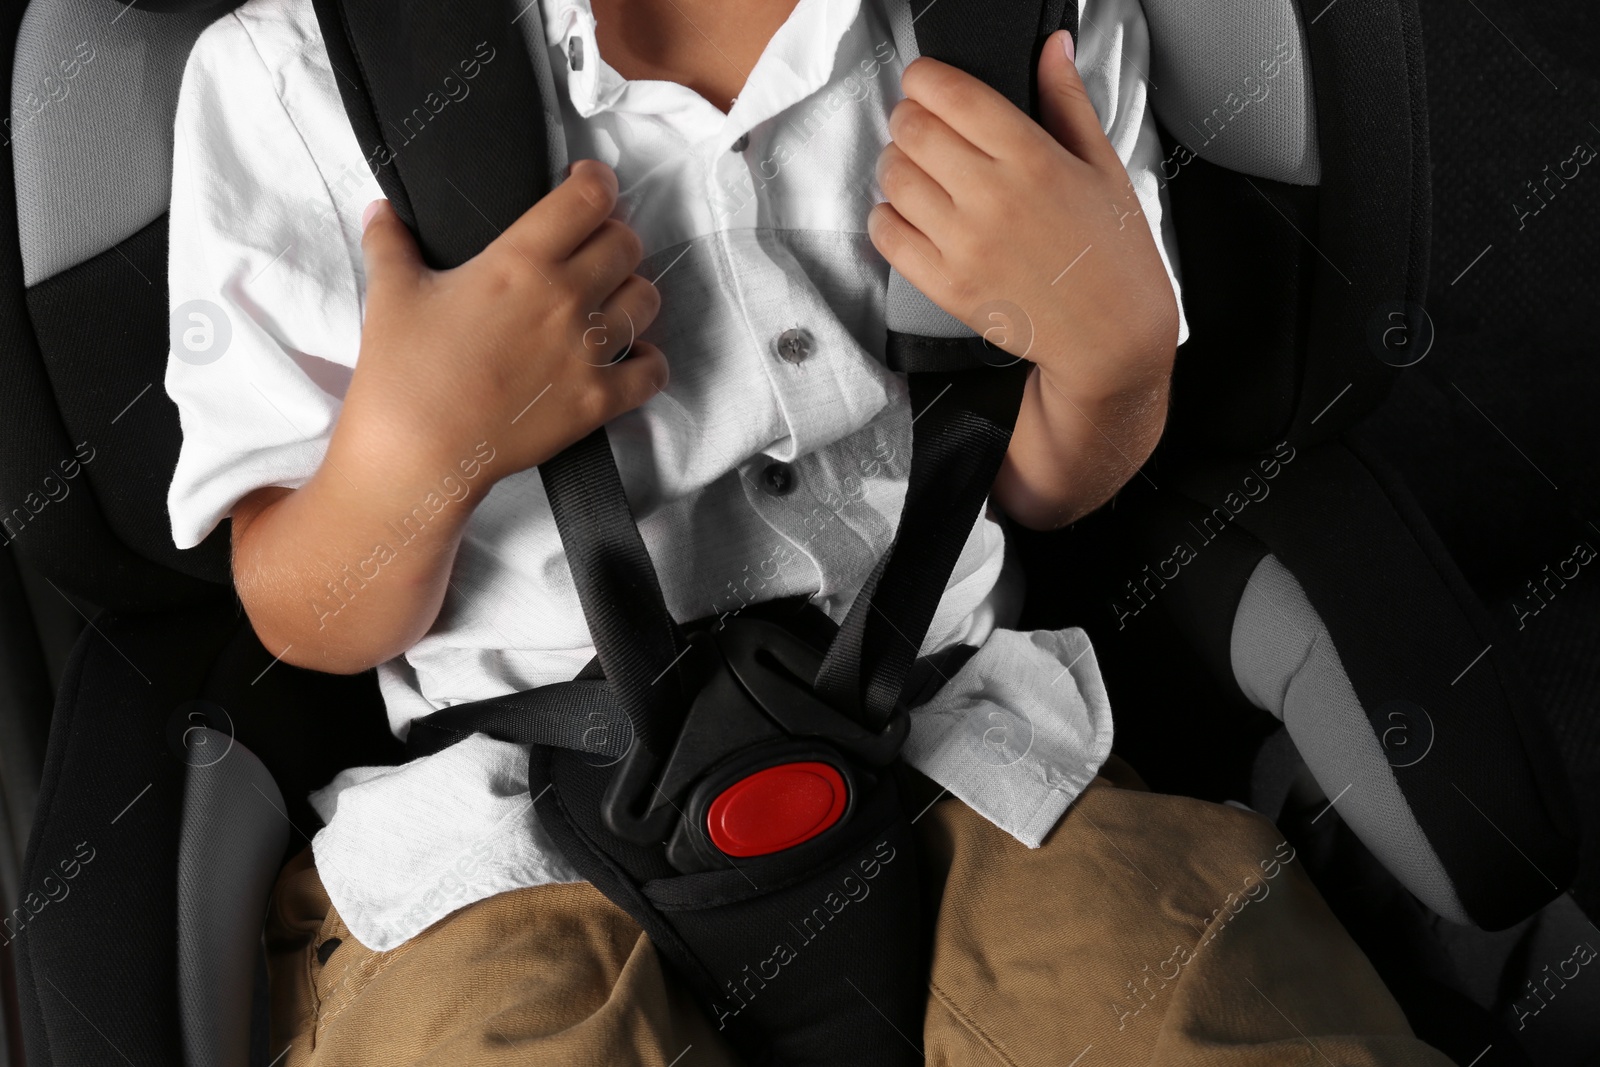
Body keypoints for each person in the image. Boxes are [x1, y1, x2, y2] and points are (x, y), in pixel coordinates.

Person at [162, 0, 1455, 1061]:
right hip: (509, 826)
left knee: (1203, 1016)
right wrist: (414, 456)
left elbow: (1031, 480)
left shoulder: (1017, 32)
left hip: (953, 740)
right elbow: (299, 607)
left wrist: (1112, 361)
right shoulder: (293, 80)